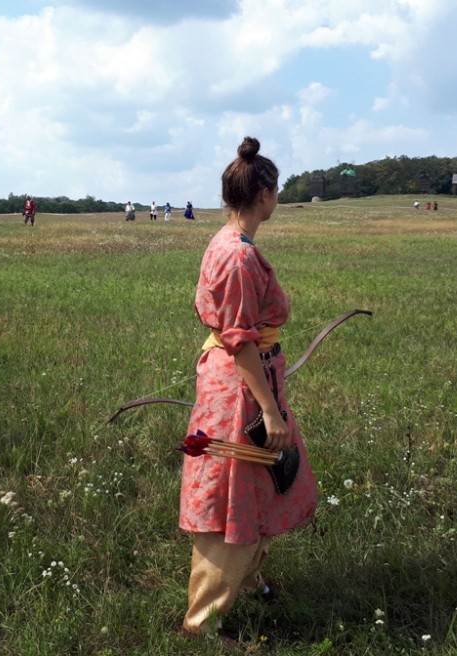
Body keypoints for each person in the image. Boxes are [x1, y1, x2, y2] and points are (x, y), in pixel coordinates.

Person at [179, 136, 318, 639]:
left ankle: (248, 582)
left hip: (250, 383)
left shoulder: (229, 241)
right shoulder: (237, 256)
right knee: (230, 498)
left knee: (255, 484)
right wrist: (271, 412)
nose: (277, 198)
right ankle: (202, 622)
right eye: (276, 190)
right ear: (264, 194)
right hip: (241, 389)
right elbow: (240, 344)